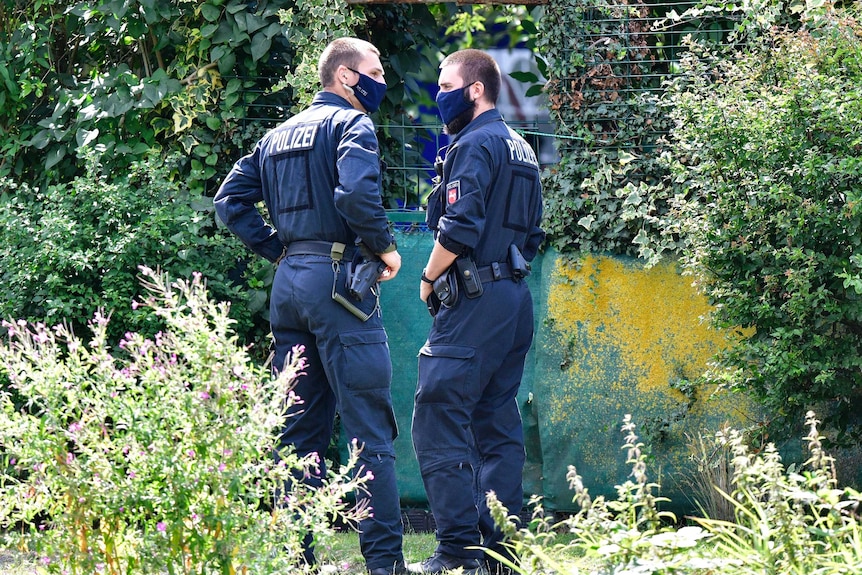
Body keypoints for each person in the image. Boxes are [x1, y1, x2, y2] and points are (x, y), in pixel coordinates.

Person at [213, 37, 406, 575]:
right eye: (375, 70)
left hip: (290, 284)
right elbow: (356, 196)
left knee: (297, 431)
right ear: (346, 77)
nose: (381, 81)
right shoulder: (352, 126)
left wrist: (280, 251)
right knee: (369, 424)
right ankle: (386, 564)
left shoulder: (276, 135)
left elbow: (229, 202)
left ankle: (296, 562)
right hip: (340, 282)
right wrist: (385, 247)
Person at [409, 49, 545, 575]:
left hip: (474, 301)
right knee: (496, 423)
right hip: (513, 299)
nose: (438, 94)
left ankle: (458, 552)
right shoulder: (521, 148)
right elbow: (533, 233)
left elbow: (459, 227)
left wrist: (427, 279)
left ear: (475, 90)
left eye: (445, 84)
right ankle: (502, 554)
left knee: (438, 420)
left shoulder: (474, 143)